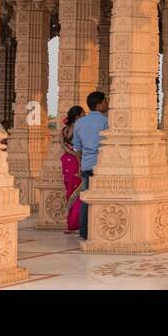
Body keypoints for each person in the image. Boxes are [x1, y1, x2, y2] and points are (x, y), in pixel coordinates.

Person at [72, 91, 108, 240]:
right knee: (104, 197)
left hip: (87, 164)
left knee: (86, 198)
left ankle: (84, 232)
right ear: (99, 104)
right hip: (103, 165)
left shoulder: (80, 123)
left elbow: (77, 148)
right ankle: (102, 230)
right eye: (105, 102)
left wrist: (80, 165)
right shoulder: (107, 121)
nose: (107, 104)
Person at [60, 105, 85, 234]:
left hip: (66, 162)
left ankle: (70, 224)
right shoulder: (78, 128)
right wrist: (81, 165)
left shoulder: (64, 130)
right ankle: (74, 224)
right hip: (75, 162)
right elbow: (77, 149)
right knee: (78, 194)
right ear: (77, 116)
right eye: (82, 114)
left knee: (70, 192)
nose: (84, 117)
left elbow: (64, 146)